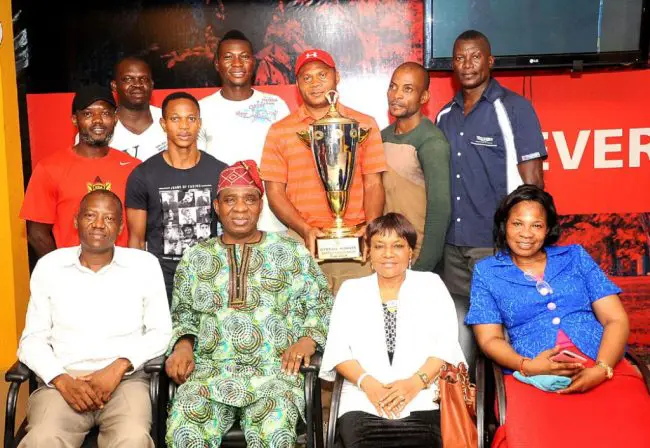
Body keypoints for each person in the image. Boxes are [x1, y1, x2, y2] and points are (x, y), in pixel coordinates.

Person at [465, 185, 650, 447]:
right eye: (517, 223)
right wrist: (527, 366)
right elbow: (489, 339)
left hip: (602, 362)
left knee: (629, 431)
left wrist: (602, 369)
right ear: (504, 226)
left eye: (536, 225)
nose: (526, 233)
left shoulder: (575, 257)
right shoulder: (487, 272)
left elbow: (615, 319)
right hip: (532, 373)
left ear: (548, 229)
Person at [164, 160, 333, 447]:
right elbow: (184, 315)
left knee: (275, 429)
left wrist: (308, 340)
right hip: (209, 373)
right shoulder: (195, 257)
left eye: (250, 199)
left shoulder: (291, 251)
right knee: (184, 424)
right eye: (230, 200)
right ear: (217, 206)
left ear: (260, 206)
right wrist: (182, 346)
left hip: (275, 374)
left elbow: (321, 305)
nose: (240, 208)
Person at [17, 189, 172, 447]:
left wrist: (118, 367)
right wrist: (61, 379)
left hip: (126, 381)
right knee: (42, 439)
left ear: (120, 227)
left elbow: (161, 332)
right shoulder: (50, 267)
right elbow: (32, 340)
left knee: (132, 438)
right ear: (76, 221)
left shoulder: (144, 265)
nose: (99, 224)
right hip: (63, 382)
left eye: (109, 218)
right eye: (90, 215)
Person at [320, 213, 466, 448]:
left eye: (398, 246)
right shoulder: (351, 291)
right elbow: (338, 351)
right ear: (368, 251)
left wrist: (414, 384)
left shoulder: (431, 285)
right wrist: (369, 385)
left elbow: (445, 345)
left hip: (423, 398)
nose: (388, 254)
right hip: (362, 399)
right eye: (379, 246)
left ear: (410, 252)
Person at [261, 49, 387, 293]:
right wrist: (305, 229)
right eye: (307, 77)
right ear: (297, 84)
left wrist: (371, 229)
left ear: (336, 77)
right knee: (304, 315)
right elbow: (274, 192)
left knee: (356, 312)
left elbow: (374, 184)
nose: (315, 83)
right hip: (303, 243)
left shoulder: (364, 124)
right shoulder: (279, 131)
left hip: (357, 241)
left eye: (322, 75)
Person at [436, 30, 547, 298]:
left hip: (494, 244)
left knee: (501, 319)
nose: (467, 65)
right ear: (453, 64)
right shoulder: (445, 115)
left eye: (475, 57)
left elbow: (534, 183)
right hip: (451, 247)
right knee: (459, 321)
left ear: (490, 61)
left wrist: (519, 241)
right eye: (460, 58)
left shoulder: (515, 108)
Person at [126, 92, 227, 300]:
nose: (184, 126)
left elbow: (230, 232)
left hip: (209, 280)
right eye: (175, 119)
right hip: (161, 284)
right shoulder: (142, 175)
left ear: (199, 123)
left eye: (190, 118)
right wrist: (138, 288)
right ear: (163, 124)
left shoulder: (219, 172)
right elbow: (136, 240)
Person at [21, 84, 140, 257]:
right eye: (88, 114)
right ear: (75, 119)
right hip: (71, 271)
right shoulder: (49, 168)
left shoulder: (134, 167)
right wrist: (63, 268)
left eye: (105, 113)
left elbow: (144, 229)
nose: (98, 120)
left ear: (115, 119)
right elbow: (37, 234)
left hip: (122, 270)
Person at [198, 29, 290, 233]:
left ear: (254, 63)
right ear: (217, 63)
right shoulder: (201, 109)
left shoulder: (276, 105)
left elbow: (291, 161)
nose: (237, 63)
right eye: (228, 57)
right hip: (221, 223)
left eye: (244, 57)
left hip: (272, 220)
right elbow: (196, 168)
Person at [382, 62, 450, 273]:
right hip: (387, 254)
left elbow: (440, 209)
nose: (397, 95)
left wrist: (424, 266)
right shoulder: (381, 137)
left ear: (424, 97)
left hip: (417, 257)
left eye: (408, 89)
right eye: (393, 86)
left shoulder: (431, 141)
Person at [73, 57, 167, 160]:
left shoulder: (169, 120)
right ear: (114, 86)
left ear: (152, 85)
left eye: (144, 79)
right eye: (128, 79)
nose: (137, 84)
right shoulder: (98, 130)